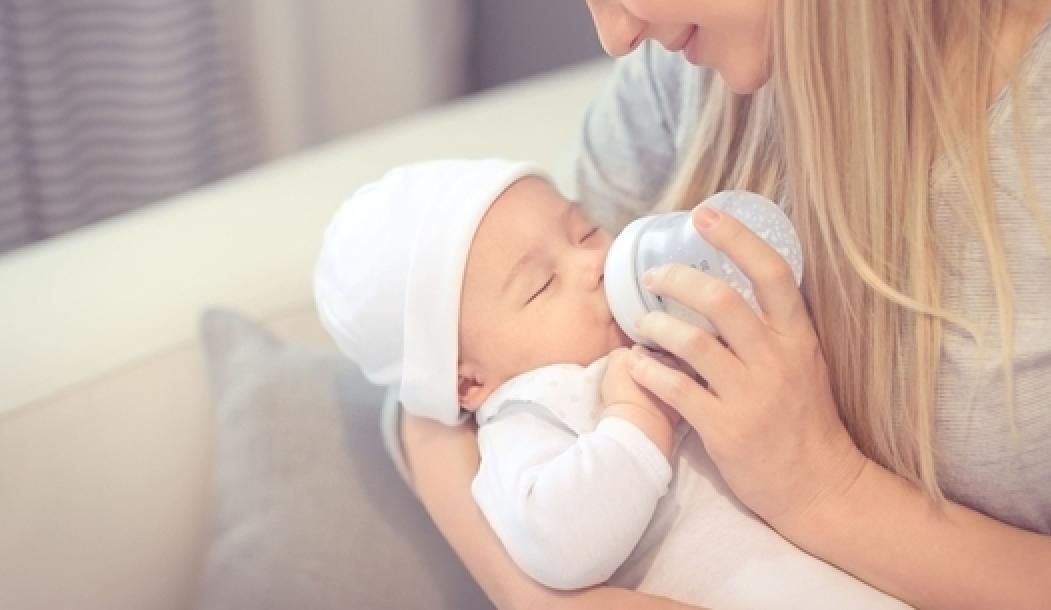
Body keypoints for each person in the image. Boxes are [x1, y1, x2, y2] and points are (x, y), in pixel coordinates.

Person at [394, 0, 1051, 609]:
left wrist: (821, 489)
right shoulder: (688, 80)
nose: (614, 33)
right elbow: (443, 368)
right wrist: (550, 598)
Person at [314, 158, 910, 608]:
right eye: (540, 286)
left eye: (583, 232)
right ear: (469, 382)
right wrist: (636, 418)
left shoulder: (645, 327)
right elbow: (556, 544)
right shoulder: (527, 413)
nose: (589, 264)